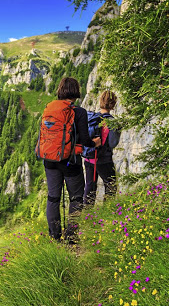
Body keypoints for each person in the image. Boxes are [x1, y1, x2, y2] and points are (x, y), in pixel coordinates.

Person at [42, 77, 101, 241]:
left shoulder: (50, 108)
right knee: (75, 197)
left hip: (50, 159)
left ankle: (54, 236)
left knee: (53, 197)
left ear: (61, 90)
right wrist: (94, 143)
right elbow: (84, 139)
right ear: (76, 91)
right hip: (70, 161)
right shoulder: (79, 112)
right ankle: (71, 236)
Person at [83, 90, 121, 207]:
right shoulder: (112, 122)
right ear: (113, 104)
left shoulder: (91, 118)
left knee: (90, 187)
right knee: (111, 185)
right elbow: (113, 143)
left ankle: (86, 216)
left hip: (89, 158)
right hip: (104, 160)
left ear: (100, 101)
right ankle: (108, 212)